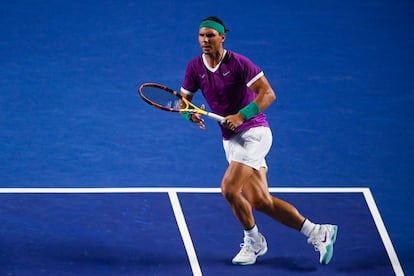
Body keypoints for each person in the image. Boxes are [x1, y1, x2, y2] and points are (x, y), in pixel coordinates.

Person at [180, 16, 338, 266]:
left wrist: (242, 115)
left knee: (229, 189)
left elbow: (268, 93)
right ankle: (318, 232)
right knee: (260, 201)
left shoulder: (239, 63)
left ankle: (254, 241)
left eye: (211, 35)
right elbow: (184, 101)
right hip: (230, 139)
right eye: (201, 35)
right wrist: (191, 114)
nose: (205, 40)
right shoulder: (194, 68)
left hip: (254, 132)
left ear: (222, 37)